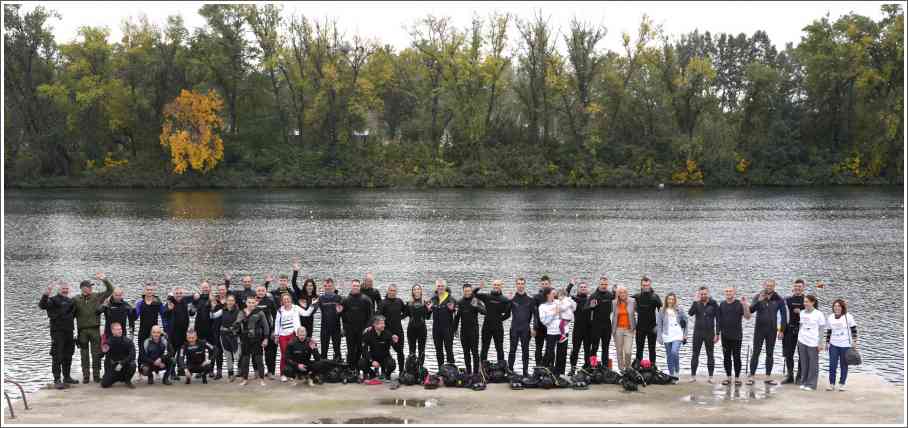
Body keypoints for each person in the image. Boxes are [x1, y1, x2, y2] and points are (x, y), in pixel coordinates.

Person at [73, 272, 114, 384]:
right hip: (82, 331)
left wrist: (104, 279)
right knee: (84, 355)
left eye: (91, 286)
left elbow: (110, 290)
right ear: (83, 288)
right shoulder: (76, 299)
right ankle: (86, 376)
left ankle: (96, 376)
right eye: (89, 286)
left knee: (96, 354)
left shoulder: (97, 297)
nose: (91, 288)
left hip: (95, 330)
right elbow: (69, 313)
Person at [747, 279, 787, 385]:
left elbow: (784, 316)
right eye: (767, 285)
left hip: (772, 330)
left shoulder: (779, 299)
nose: (769, 287)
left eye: (771, 286)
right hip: (759, 329)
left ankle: (768, 377)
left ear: (774, 286)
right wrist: (759, 301)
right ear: (764, 285)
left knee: (770, 353)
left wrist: (782, 330)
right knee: (756, 352)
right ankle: (751, 376)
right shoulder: (758, 296)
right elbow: (751, 310)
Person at [40, 281, 78, 389]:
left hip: (69, 331)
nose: (65, 290)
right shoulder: (53, 300)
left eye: (66, 288)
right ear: (59, 290)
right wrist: (46, 294)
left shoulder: (71, 301)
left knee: (68, 354)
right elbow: (42, 306)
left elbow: (75, 314)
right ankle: (57, 379)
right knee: (57, 355)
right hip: (57, 332)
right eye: (63, 289)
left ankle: (67, 377)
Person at [273, 293, 316, 382]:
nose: (286, 301)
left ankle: (293, 374)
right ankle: (283, 374)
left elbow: (306, 313)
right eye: (284, 300)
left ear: (291, 299)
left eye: (288, 299)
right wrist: (276, 336)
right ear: (282, 301)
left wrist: (312, 305)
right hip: (283, 335)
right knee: (284, 355)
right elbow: (277, 324)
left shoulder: (296, 308)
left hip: (293, 334)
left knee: (293, 356)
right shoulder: (280, 311)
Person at [716, 287, 750, 386]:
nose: (728, 293)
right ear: (724, 293)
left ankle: (737, 378)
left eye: (730, 291)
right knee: (726, 357)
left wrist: (745, 305)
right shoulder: (722, 304)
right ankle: (728, 377)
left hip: (737, 336)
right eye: (726, 291)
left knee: (737, 357)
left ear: (734, 292)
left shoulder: (739, 304)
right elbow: (719, 321)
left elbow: (747, 317)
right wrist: (717, 333)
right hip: (725, 336)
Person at [474, 280, 511, 363]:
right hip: (487, 326)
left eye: (498, 285)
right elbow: (473, 294)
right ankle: (482, 368)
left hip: (498, 327)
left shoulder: (504, 299)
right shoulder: (487, 296)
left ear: (501, 286)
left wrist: (499, 319)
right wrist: (479, 287)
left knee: (499, 348)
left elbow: (508, 314)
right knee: (484, 348)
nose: (496, 286)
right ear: (492, 286)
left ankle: (501, 367)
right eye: (495, 285)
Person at [688, 286, 719, 383]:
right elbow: (690, 313)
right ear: (699, 294)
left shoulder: (713, 303)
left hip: (710, 333)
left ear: (708, 294)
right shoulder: (697, 303)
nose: (703, 295)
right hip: (698, 333)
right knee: (695, 354)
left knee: (710, 354)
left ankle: (710, 377)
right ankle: (693, 376)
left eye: (705, 294)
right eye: (701, 294)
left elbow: (718, 319)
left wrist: (717, 333)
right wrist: (694, 301)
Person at [236, 296, 269, 386]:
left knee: (259, 360)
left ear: (255, 303)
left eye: (252, 302)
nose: (251, 304)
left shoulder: (260, 312)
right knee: (245, 360)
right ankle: (245, 379)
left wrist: (265, 338)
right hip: (245, 339)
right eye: (249, 302)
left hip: (257, 339)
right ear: (246, 303)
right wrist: (237, 330)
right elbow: (237, 325)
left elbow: (266, 326)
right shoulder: (241, 312)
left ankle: (262, 379)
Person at [825, 298, 857, 392]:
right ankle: (831, 384)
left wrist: (855, 341)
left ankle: (842, 384)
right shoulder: (830, 317)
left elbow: (853, 329)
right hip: (833, 344)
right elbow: (829, 331)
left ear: (842, 307)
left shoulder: (848, 316)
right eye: (835, 306)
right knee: (832, 365)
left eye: (839, 306)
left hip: (845, 345)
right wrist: (827, 342)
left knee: (844, 365)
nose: (837, 308)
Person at [453, 283, 486, 374]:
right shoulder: (460, 302)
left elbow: (484, 312)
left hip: (474, 331)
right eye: (465, 291)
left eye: (469, 291)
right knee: (466, 353)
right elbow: (456, 318)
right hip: (464, 332)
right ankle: (468, 372)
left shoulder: (475, 300)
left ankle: (475, 373)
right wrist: (455, 330)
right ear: (463, 291)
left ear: (471, 291)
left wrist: (477, 306)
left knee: (475, 353)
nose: (467, 293)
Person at [340, 279, 374, 367]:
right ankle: (351, 369)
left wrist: (368, 327)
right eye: (354, 285)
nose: (355, 287)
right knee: (350, 350)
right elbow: (342, 316)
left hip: (362, 329)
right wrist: (344, 328)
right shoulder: (346, 300)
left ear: (360, 287)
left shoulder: (366, 299)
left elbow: (370, 315)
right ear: (351, 286)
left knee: (361, 349)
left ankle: (360, 369)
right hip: (350, 329)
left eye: (357, 286)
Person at [586, 276, 616, 368]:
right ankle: (593, 365)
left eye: (605, 284)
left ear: (607, 285)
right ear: (599, 284)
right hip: (596, 325)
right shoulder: (594, 295)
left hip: (607, 325)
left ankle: (605, 366)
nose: (604, 286)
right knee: (594, 347)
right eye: (602, 284)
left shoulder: (610, 295)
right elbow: (585, 308)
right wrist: (591, 306)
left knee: (606, 347)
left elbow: (617, 299)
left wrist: (615, 291)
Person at [507, 277, 535, 376]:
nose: (520, 285)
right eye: (518, 283)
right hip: (514, 328)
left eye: (522, 283)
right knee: (512, 350)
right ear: (516, 285)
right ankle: (510, 370)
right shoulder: (512, 299)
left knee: (525, 351)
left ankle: (525, 372)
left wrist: (534, 328)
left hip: (525, 329)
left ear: (524, 285)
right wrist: (508, 301)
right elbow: (506, 313)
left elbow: (535, 315)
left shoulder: (530, 300)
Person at [656, 292, 687, 380]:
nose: (671, 301)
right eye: (669, 299)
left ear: (675, 300)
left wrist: (685, 335)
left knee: (674, 352)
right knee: (669, 355)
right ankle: (671, 375)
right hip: (667, 335)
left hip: (677, 334)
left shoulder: (679, 309)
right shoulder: (662, 310)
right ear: (666, 300)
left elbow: (686, 321)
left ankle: (677, 371)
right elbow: (659, 325)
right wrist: (659, 337)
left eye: (672, 299)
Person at [164, 286, 194, 380]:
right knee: (172, 353)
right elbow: (164, 314)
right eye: (177, 293)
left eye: (180, 293)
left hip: (183, 332)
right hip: (173, 333)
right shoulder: (170, 302)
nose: (179, 295)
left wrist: (195, 298)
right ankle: (172, 373)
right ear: (173, 294)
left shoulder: (184, 301)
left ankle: (180, 370)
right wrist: (169, 309)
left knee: (182, 352)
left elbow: (193, 299)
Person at [796, 295, 825, 391]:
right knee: (804, 363)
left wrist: (820, 343)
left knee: (813, 364)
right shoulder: (802, 312)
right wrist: (798, 339)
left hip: (813, 341)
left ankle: (812, 384)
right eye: (804, 301)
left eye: (807, 301)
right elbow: (801, 325)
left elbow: (821, 329)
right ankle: (804, 382)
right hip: (802, 340)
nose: (805, 303)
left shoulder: (818, 314)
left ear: (812, 302)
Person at [378, 284, 407, 375]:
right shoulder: (383, 303)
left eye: (394, 291)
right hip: (386, 332)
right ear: (387, 291)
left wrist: (400, 317)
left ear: (396, 292)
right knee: (384, 352)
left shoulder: (399, 301)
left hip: (398, 331)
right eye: (390, 290)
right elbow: (378, 316)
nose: (392, 292)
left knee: (400, 352)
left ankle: (401, 371)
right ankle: (383, 372)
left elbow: (406, 311)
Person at [212, 294, 241, 382]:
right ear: (226, 301)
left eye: (232, 300)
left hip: (234, 336)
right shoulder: (222, 310)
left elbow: (239, 322)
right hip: (224, 335)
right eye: (229, 300)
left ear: (234, 301)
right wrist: (213, 308)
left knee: (237, 356)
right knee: (228, 356)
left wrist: (233, 328)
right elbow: (212, 316)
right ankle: (230, 374)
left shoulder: (239, 311)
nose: (230, 302)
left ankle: (241, 372)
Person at [633, 276, 662, 365]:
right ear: (641, 286)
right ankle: (638, 367)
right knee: (639, 349)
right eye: (644, 285)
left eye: (647, 285)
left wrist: (658, 326)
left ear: (650, 285)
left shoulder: (655, 297)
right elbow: (625, 301)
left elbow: (662, 312)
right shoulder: (637, 296)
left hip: (652, 328)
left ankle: (653, 366)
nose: (646, 287)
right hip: (640, 327)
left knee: (652, 349)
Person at [782, 279, 806, 384]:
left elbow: (814, 315)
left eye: (800, 286)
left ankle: (799, 377)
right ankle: (790, 376)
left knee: (802, 354)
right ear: (793, 287)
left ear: (803, 287)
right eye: (796, 286)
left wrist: (801, 312)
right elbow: (782, 316)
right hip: (789, 330)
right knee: (788, 354)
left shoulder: (808, 300)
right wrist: (781, 330)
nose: (797, 288)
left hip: (803, 330)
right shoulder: (787, 299)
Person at [360, 315, 399, 380]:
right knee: (361, 363)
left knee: (392, 364)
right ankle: (372, 374)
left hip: (384, 357)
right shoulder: (368, 334)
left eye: (384, 323)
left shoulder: (387, 333)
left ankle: (387, 375)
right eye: (381, 324)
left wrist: (395, 342)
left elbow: (396, 349)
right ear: (375, 325)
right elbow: (364, 350)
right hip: (373, 356)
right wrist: (371, 361)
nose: (383, 325)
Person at [429, 279, 457, 370]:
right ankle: (440, 370)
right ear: (436, 287)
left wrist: (452, 309)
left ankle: (451, 370)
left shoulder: (451, 299)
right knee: (438, 349)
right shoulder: (433, 299)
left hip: (448, 328)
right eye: (438, 286)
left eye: (442, 286)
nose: (440, 288)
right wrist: (428, 310)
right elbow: (427, 316)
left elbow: (456, 313)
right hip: (436, 328)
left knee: (449, 349)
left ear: (445, 287)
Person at [565, 280, 591, 375]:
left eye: (585, 287)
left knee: (588, 350)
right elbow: (565, 294)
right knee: (575, 349)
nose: (583, 288)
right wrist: (571, 284)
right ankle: (572, 369)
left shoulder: (591, 299)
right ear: (578, 289)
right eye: (581, 287)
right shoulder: (574, 299)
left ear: (587, 289)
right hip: (578, 328)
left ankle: (588, 367)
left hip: (589, 329)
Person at [99, 322, 136, 389]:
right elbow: (100, 355)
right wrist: (102, 344)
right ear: (112, 331)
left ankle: (127, 380)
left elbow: (133, 355)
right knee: (104, 384)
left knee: (133, 364)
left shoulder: (127, 341)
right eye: (117, 329)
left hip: (124, 365)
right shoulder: (109, 341)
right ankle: (116, 378)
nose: (120, 331)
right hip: (113, 367)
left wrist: (122, 363)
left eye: (120, 329)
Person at [315, 278, 344, 360]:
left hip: (336, 327)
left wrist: (343, 327)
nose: (327, 287)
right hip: (324, 327)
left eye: (330, 286)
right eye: (325, 286)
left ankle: (338, 368)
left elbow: (343, 314)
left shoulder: (339, 298)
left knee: (337, 350)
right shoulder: (320, 298)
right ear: (323, 287)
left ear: (333, 287)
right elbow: (312, 310)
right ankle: (324, 368)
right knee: (324, 351)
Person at [134, 282, 166, 358]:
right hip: (143, 331)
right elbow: (135, 317)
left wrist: (164, 330)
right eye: (147, 290)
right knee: (142, 352)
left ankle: (155, 368)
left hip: (154, 331)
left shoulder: (158, 303)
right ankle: (140, 368)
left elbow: (164, 316)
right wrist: (133, 309)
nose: (149, 291)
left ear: (153, 291)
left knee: (155, 352)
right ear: (144, 291)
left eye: (151, 290)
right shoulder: (140, 303)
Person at [254, 283, 279, 379]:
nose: (260, 292)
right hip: (257, 332)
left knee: (270, 353)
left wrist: (274, 331)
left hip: (269, 331)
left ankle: (271, 371)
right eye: (259, 291)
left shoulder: (270, 301)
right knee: (256, 352)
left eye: (262, 291)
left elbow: (276, 316)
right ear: (256, 292)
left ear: (265, 292)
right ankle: (257, 371)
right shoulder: (252, 301)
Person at [610, 286, 636, 371]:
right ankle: (621, 370)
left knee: (628, 351)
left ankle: (628, 368)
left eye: (624, 292)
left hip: (629, 330)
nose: (622, 294)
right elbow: (608, 313)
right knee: (619, 351)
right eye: (620, 292)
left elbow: (641, 311)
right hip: (618, 330)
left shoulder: (632, 301)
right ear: (618, 294)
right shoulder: (614, 303)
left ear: (627, 293)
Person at [538, 288, 563, 373]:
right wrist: (553, 313)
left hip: (562, 333)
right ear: (548, 295)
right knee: (549, 353)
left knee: (561, 354)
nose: (555, 295)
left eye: (555, 294)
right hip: (551, 333)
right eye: (553, 294)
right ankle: (546, 370)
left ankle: (559, 372)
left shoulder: (558, 302)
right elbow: (544, 321)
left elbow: (569, 309)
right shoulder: (542, 307)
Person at [405, 285, 431, 367]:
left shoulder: (425, 302)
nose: (416, 291)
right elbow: (405, 315)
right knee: (411, 350)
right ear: (412, 291)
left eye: (418, 289)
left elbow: (427, 317)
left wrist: (429, 310)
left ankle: (420, 368)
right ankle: (412, 370)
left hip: (422, 329)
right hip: (411, 329)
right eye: (415, 289)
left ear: (421, 291)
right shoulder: (409, 303)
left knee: (422, 350)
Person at [291, 260, 319, 338]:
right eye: (308, 285)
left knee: (308, 339)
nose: (309, 287)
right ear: (305, 286)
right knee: (297, 340)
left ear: (313, 287)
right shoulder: (300, 294)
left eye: (311, 286)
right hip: (299, 321)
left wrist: (314, 304)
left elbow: (314, 311)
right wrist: (295, 271)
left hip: (309, 321)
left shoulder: (316, 297)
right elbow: (293, 283)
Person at [532, 276, 554, 367]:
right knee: (538, 348)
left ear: (550, 284)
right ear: (540, 285)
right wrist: (534, 328)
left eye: (546, 284)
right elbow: (535, 314)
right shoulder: (536, 297)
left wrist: (570, 285)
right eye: (543, 284)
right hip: (540, 327)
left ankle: (550, 366)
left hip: (551, 328)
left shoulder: (554, 296)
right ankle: (538, 366)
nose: (545, 286)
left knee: (550, 349)